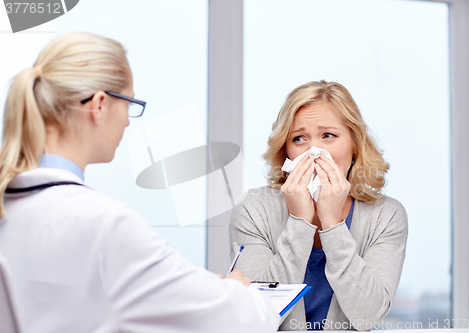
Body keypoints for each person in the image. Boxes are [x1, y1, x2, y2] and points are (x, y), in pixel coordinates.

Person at [0, 32, 279, 333]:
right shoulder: (103, 224)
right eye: (130, 102)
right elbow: (239, 321)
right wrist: (236, 294)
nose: (128, 121)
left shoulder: (15, 207)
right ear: (99, 104)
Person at [229, 80, 408, 331]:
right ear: (286, 151)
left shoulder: (386, 215)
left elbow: (368, 314)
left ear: (354, 145)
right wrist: (300, 222)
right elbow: (256, 315)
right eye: (299, 138)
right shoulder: (253, 209)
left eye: (328, 136)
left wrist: (333, 223)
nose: (314, 152)